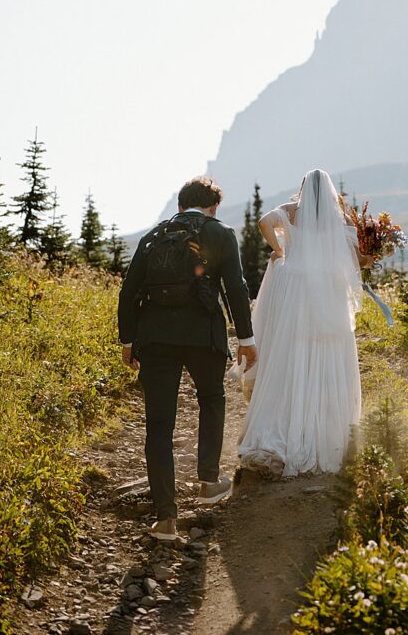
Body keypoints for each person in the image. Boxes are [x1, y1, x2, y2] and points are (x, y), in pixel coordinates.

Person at [118, 176, 256, 542]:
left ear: (180, 206)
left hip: (155, 338)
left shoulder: (154, 236)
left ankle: (165, 519)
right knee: (211, 398)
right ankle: (209, 480)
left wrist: (128, 341)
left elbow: (128, 290)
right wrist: (246, 338)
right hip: (202, 336)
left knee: (159, 424)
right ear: (212, 208)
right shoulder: (220, 233)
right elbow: (236, 288)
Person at [238, 169, 372, 476]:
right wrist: (371, 257)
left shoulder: (290, 213)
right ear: (329, 193)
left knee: (293, 354)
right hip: (329, 294)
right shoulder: (342, 221)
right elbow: (356, 261)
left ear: (303, 189)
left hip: (297, 292)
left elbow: (263, 222)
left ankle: (286, 425)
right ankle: (329, 433)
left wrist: (280, 249)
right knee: (329, 355)